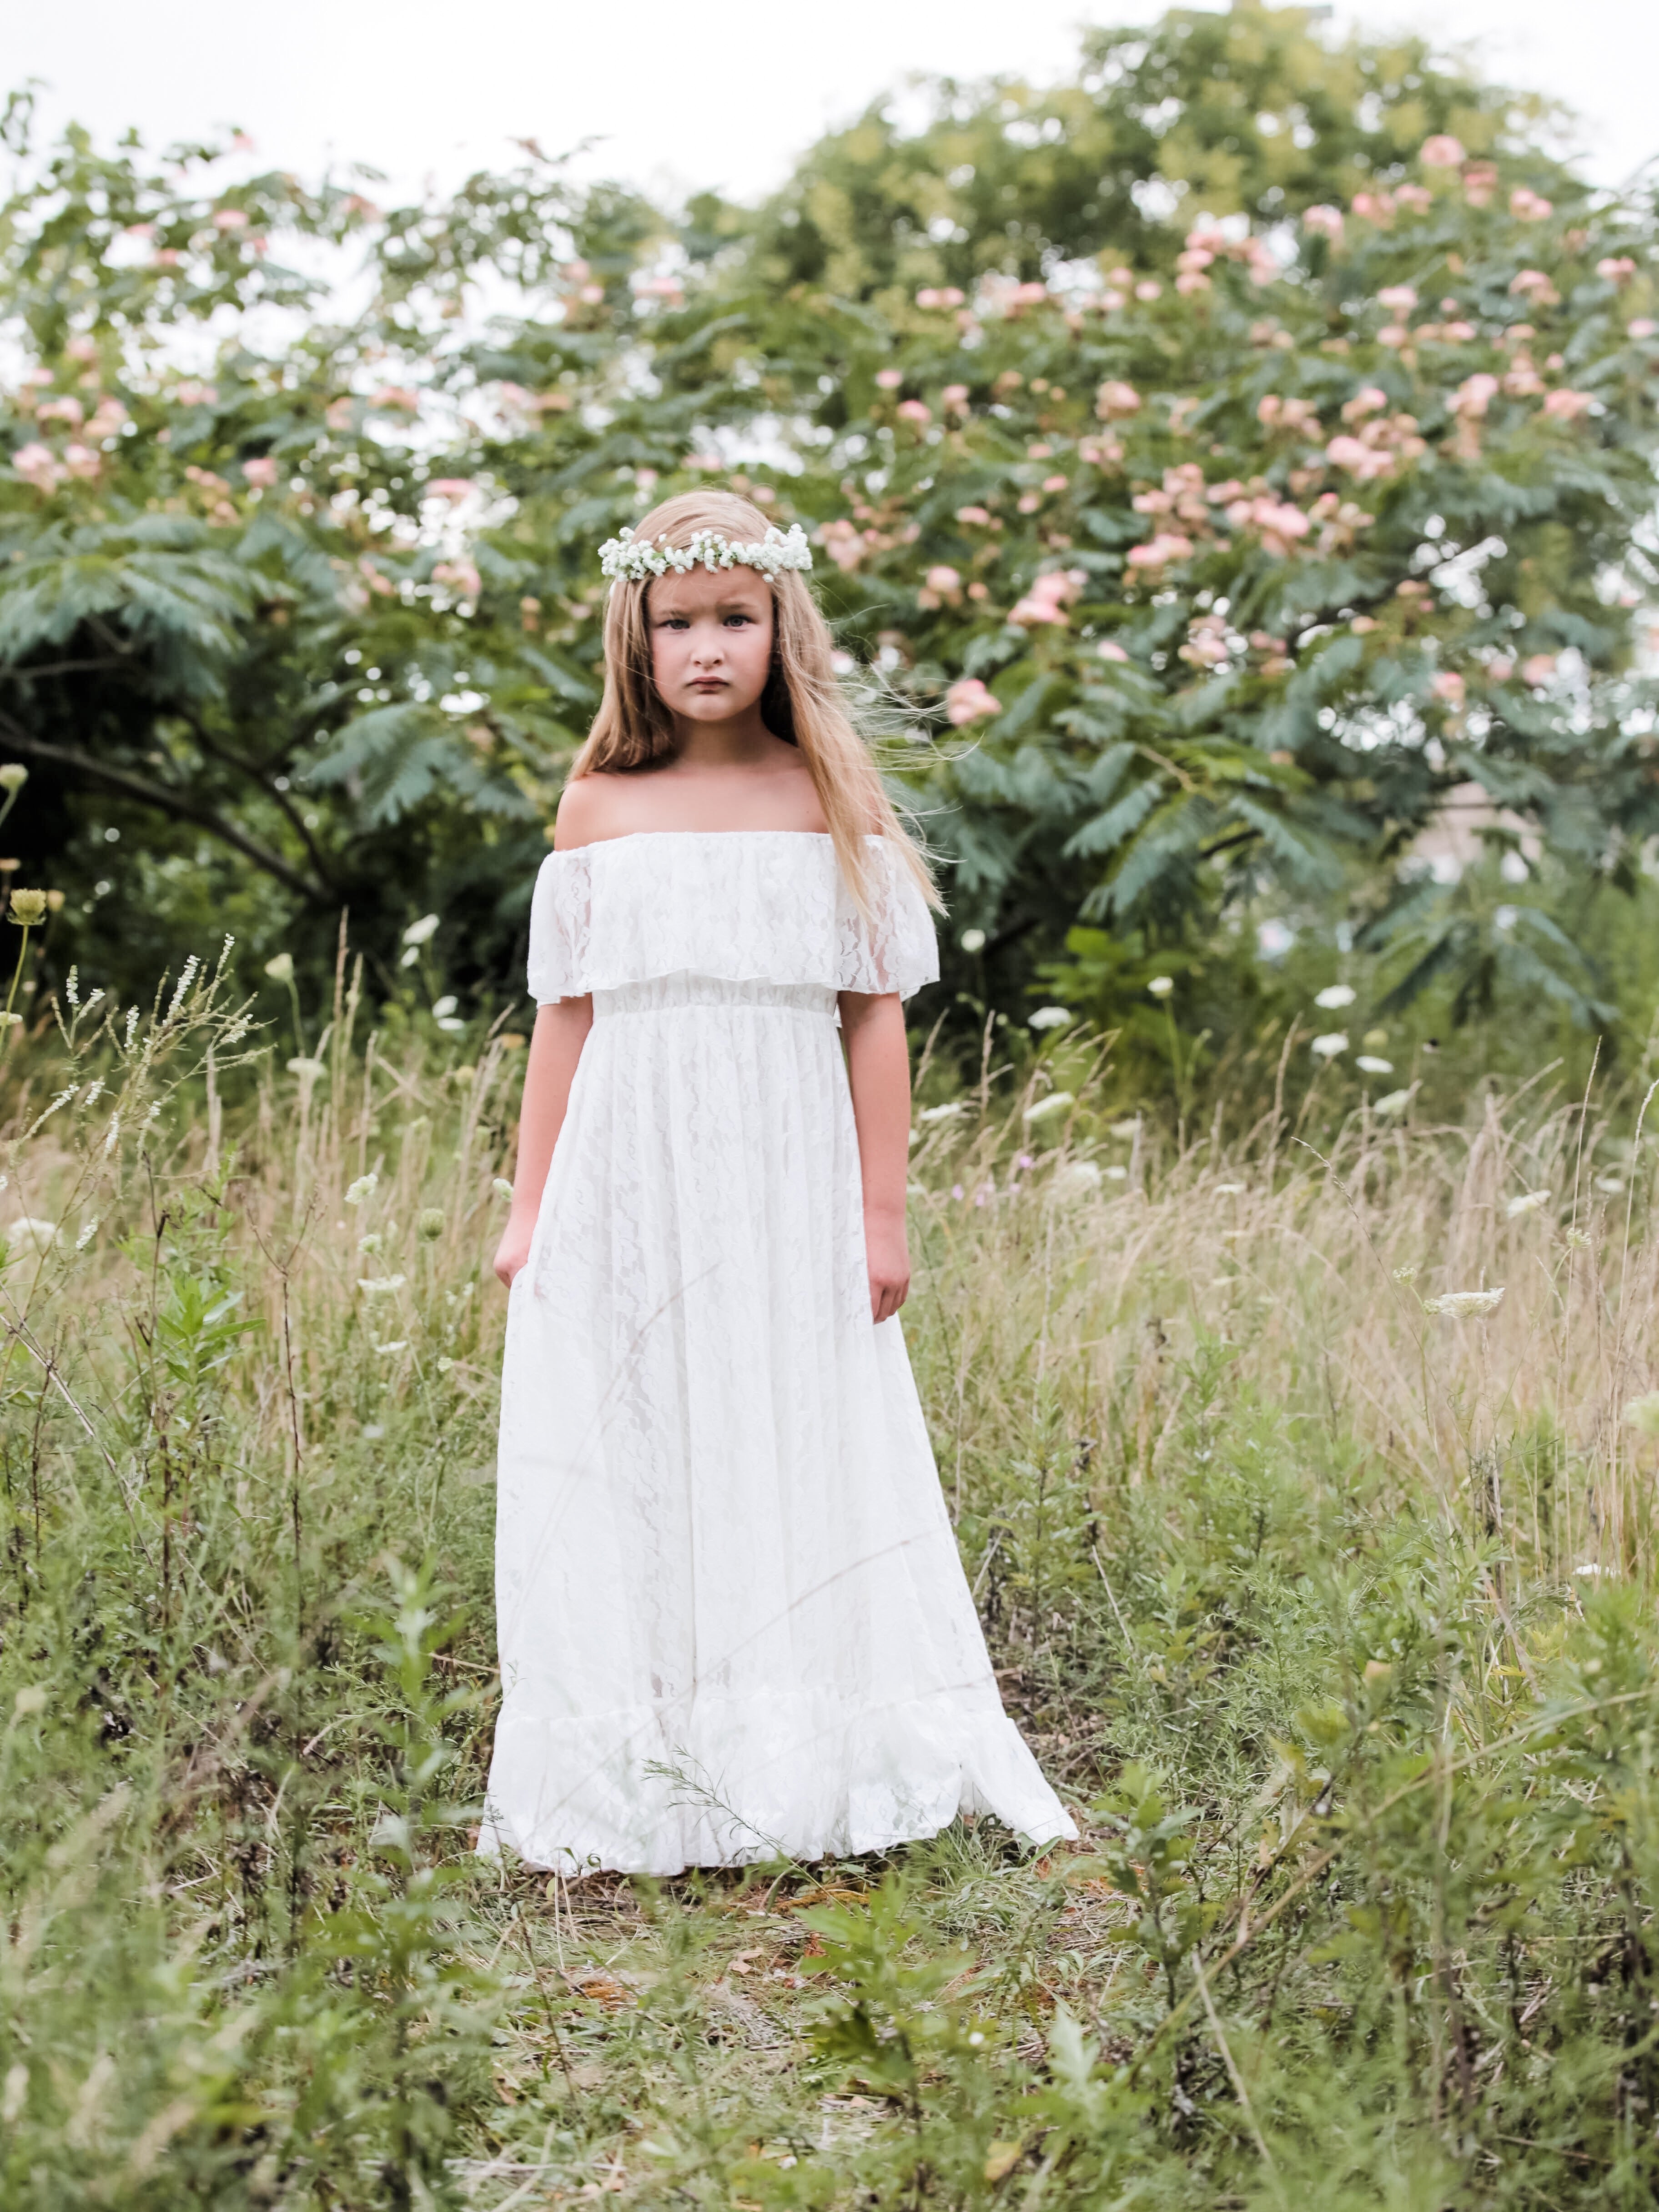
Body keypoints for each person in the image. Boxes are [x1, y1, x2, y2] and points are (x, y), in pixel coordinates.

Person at [482, 488, 1075, 1875]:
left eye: (733, 620)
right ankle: (658, 1762)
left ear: (779, 630)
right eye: (677, 623)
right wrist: (529, 1211)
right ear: (638, 638)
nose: (706, 649)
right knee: (642, 1432)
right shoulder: (599, 806)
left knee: (784, 1422)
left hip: (785, 1168)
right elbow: (563, 1017)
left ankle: (805, 1746)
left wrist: (881, 1211)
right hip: (630, 1164)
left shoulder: (826, 800)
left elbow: (874, 1012)